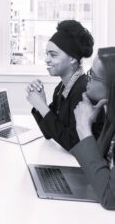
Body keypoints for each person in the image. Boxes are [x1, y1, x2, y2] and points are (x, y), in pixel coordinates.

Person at [25, 20, 104, 151]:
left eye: (53, 55)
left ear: (72, 58)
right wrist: (40, 104)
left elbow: (74, 144)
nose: (46, 59)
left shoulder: (83, 91)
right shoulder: (61, 88)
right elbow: (49, 133)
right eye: (46, 54)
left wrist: (42, 107)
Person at [71, 47, 115, 210]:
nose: (87, 78)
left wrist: (83, 128)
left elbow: (110, 199)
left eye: (93, 75)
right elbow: (99, 165)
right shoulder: (111, 114)